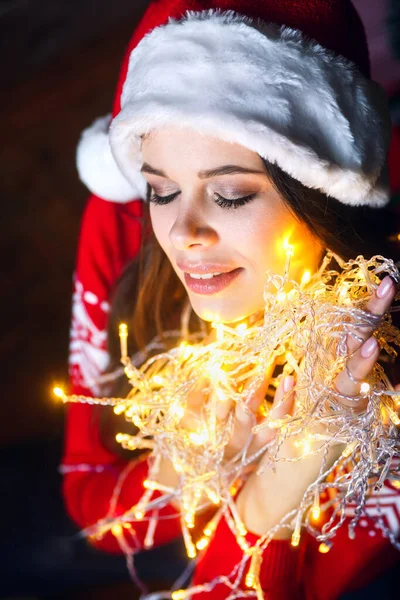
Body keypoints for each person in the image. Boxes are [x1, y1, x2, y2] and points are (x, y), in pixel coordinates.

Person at [62, 1, 400, 598]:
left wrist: (287, 472)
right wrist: (189, 464)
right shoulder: (125, 224)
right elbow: (92, 508)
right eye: (161, 190)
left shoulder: (372, 356)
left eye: (231, 195)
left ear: (323, 193)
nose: (184, 232)